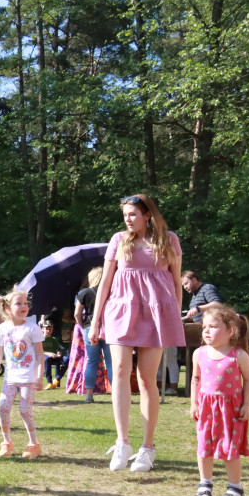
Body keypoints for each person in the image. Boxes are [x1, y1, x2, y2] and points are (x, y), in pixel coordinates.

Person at [91, 194, 185, 473]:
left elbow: (177, 283)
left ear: (148, 215)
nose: (127, 219)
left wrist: (175, 318)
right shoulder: (119, 240)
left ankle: (147, 447)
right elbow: (105, 283)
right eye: (125, 215)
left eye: (133, 214)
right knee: (119, 370)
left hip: (157, 314)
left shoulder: (169, 240)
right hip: (121, 310)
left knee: (146, 378)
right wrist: (95, 321)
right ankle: (122, 442)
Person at [190, 304, 249, 496]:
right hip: (206, 408)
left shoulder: (239, 356)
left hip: (230, 410)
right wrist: (194, 403)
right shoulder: (199, 353)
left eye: (213, 327)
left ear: (231, 331)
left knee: (230, 448)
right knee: (204, 446)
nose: (206, 331)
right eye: (204, 327)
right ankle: (205, 484)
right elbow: (195, 379)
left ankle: (235, 487)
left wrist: (246, 405)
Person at [0, 290, 45, 458]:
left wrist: (40, 377)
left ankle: (34, 444)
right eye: (18, 304)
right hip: (10, 378)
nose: (24, 306)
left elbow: (40, 355)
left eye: (25, 303)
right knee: (3, 408)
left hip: (28, 379)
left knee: (24, 410)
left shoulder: (32, 328)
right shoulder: (2, 329)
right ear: (7, 308)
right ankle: (7, 443)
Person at [74, 266, 113, 402]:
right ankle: (117, 394)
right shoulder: (111, 291)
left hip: (90, 329)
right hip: (109, 329)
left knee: (91, 362)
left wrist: (82, 325)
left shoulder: (84, 293)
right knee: (111, 362)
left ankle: (89, 395)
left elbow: (76, 313)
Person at [41, 320, 68, 389]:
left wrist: (58, 353)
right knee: (47, 359)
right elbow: (37, 351)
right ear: (42, 329)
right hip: (44, 357)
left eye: (50, 328)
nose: (49, 330)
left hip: (54, 357)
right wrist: (48, 353)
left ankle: (57, 379)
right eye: (47, 328)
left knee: (66, 359)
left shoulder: (54, 339)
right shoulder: (39, 339)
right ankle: (49, 382)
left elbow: (57, 349)